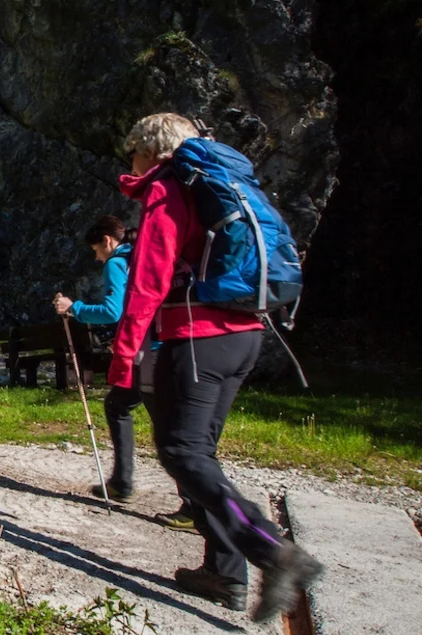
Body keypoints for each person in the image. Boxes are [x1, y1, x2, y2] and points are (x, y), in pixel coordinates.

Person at [110, 112, 323, 621]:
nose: (130, 162)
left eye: (133, 151)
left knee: (182, 453)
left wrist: (125, 352)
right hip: (244, 336)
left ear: (151, 151)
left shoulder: (168, 188)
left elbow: (149, 278)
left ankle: (275, 553)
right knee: (199, 455)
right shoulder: (219, 186)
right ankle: (224, 574)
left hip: (196, 339)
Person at [53, 218, 195, 529]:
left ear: (107, 240)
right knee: (117, 404)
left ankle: (194, 505)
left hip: (150, 352)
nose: (97, 257)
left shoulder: (117, 264)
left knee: (168, 427)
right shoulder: (144, 257)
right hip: (164, 343)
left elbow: (112, 310)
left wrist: (74, 308)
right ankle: (121, 481)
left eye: (96, 250)